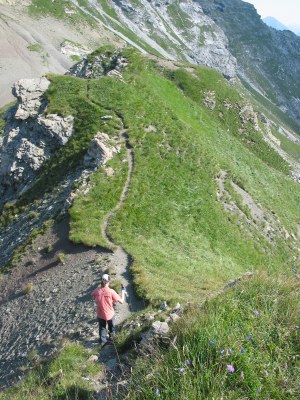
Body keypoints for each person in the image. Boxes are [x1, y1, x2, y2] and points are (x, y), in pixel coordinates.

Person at [91, 274, 126, 347]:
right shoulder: (111, 291)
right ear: (108, 281)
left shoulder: (97, 290)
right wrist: (123, 291)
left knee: (102, 327)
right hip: (110, 314)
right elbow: (121, 301)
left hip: (100, 314)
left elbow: (92, 295)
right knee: (111, 327)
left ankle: (102, 342)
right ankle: (112, 340)